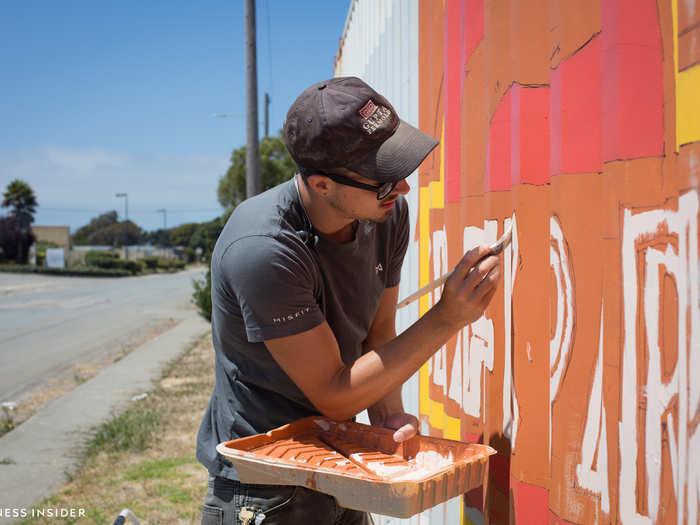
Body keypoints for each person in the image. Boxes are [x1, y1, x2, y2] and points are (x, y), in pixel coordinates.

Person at [197, 77, 501, 525]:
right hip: (267, 489)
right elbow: (336, 394)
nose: (402, 190)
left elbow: (377, 334)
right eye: (383, 180)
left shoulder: (386, 212)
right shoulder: (264, 249)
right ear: (321, 185)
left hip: (343, 464)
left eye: (402, 168)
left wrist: (387, 415)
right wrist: (448, 318)